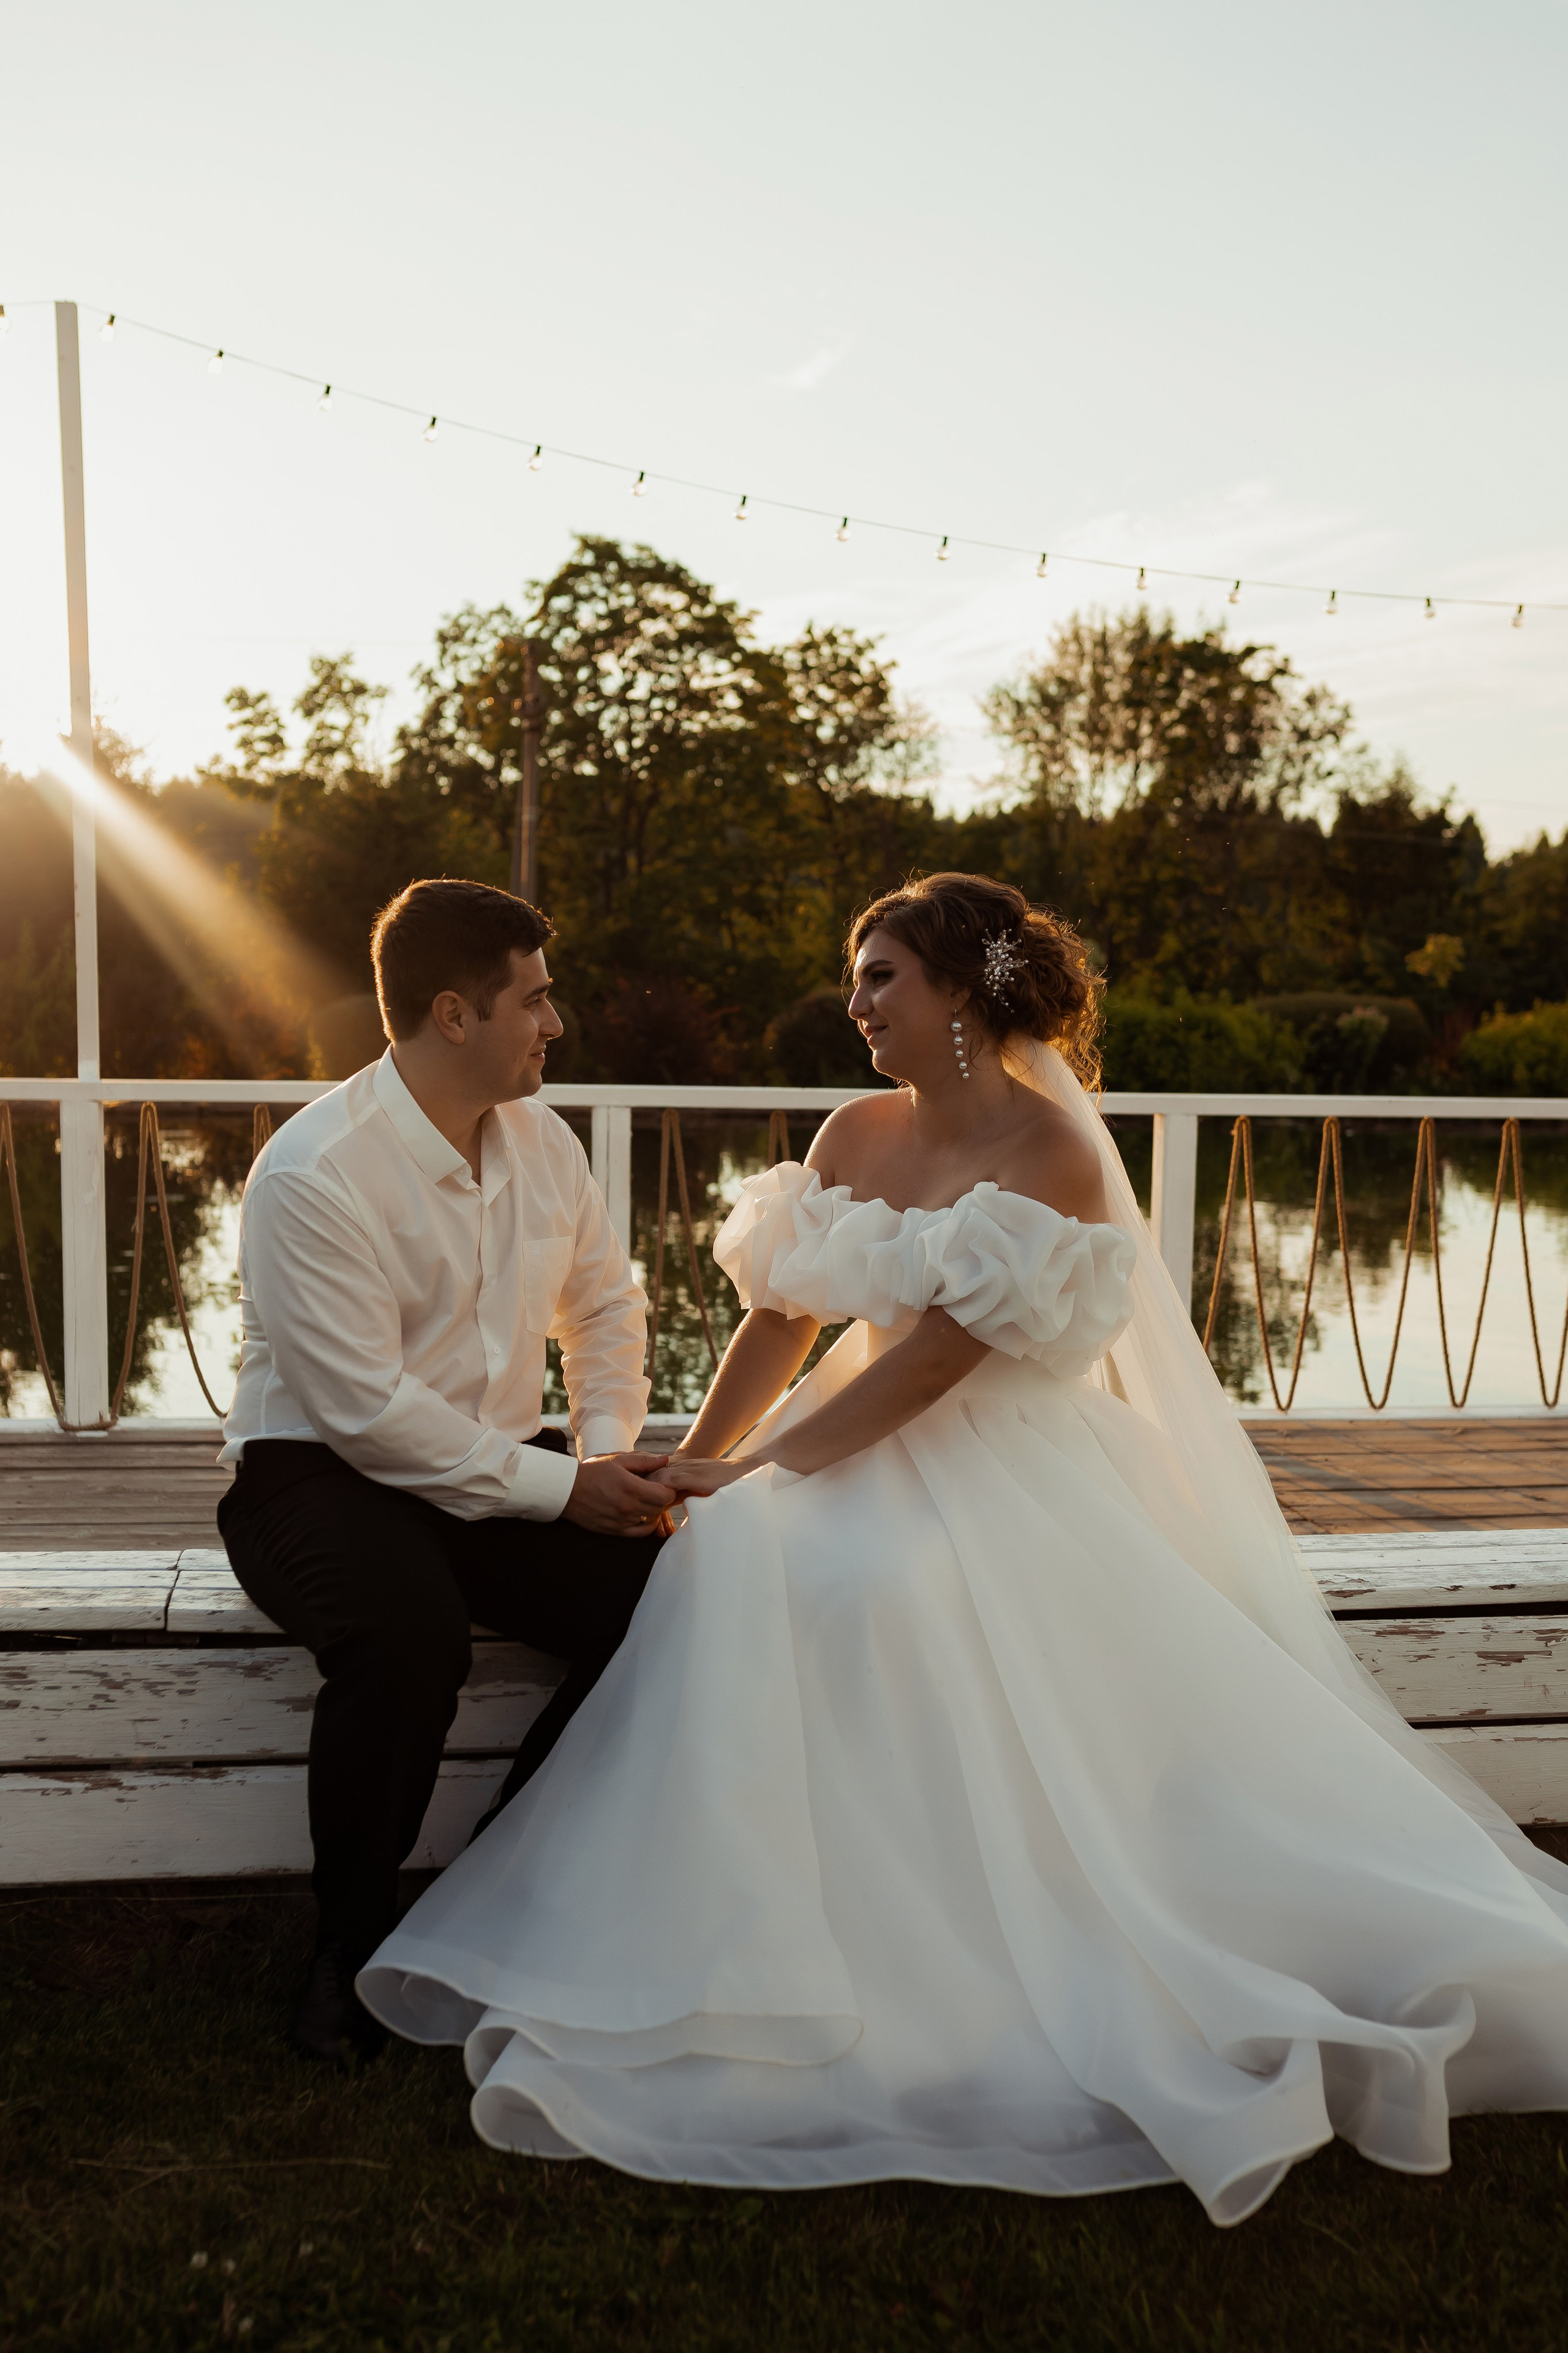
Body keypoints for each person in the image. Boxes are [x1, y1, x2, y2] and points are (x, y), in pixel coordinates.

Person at [360, 872, 1568, 2225]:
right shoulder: (852, 1128)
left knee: (871, 1583)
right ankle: (747, 1923)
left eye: (881, 975)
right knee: (729, 1563)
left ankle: (950, 1948)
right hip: (843, 1432)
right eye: (856, 976)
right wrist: (688, 1466)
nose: (856, 1002)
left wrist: (757, 1472)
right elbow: (785, 1317)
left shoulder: (1051, 1151)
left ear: (961, 989)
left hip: (999, 1456)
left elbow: (939, 1361)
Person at [218, 878, 675, 2064]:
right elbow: (365, 1413)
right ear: (453, 1014)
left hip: (494, 1471)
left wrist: (605, 1450)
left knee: (674, 1600)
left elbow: (604, 1307)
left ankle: (494, 1895)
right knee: (404, 1635)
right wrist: (564, 1490)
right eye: (534, 1000)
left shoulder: (544, 1140)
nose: (555, 1024)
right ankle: (349, 1944)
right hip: (318, 1474)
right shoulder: (315, 1170)